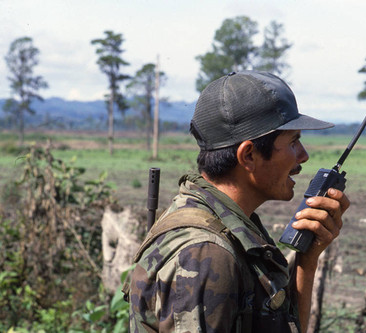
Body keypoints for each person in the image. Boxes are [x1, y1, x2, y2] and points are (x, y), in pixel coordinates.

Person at [127, 70, 350, 333]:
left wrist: (307, 259)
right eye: (293, 141)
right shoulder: (207, 254)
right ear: (249, 155)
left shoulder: (215, 220)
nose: (303, 155)